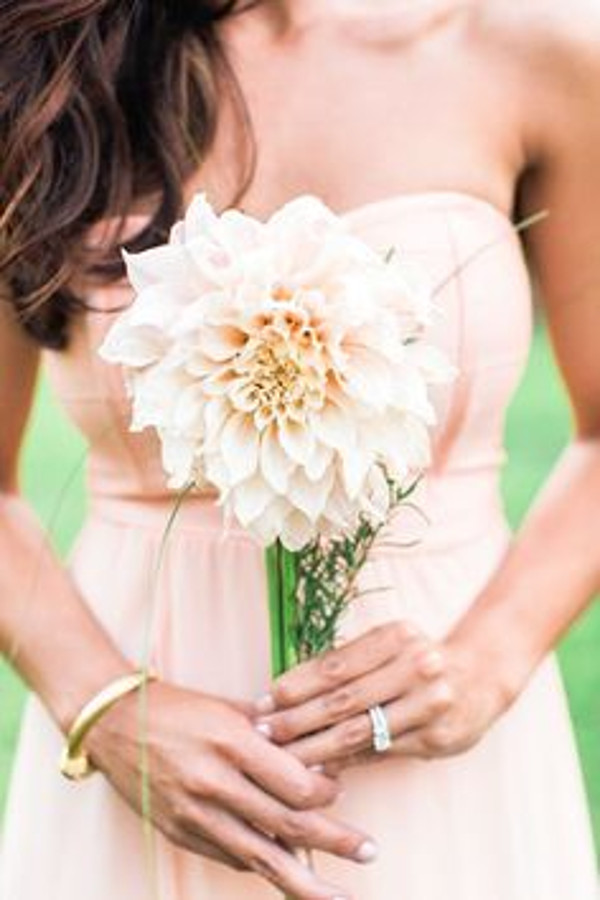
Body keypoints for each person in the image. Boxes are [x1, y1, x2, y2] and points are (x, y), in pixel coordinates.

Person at [1, 1, 599, 898]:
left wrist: (488, 662)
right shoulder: (45, 61)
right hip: (140, 749)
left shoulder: (537, 45)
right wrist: (103, 705)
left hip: (444, 750)